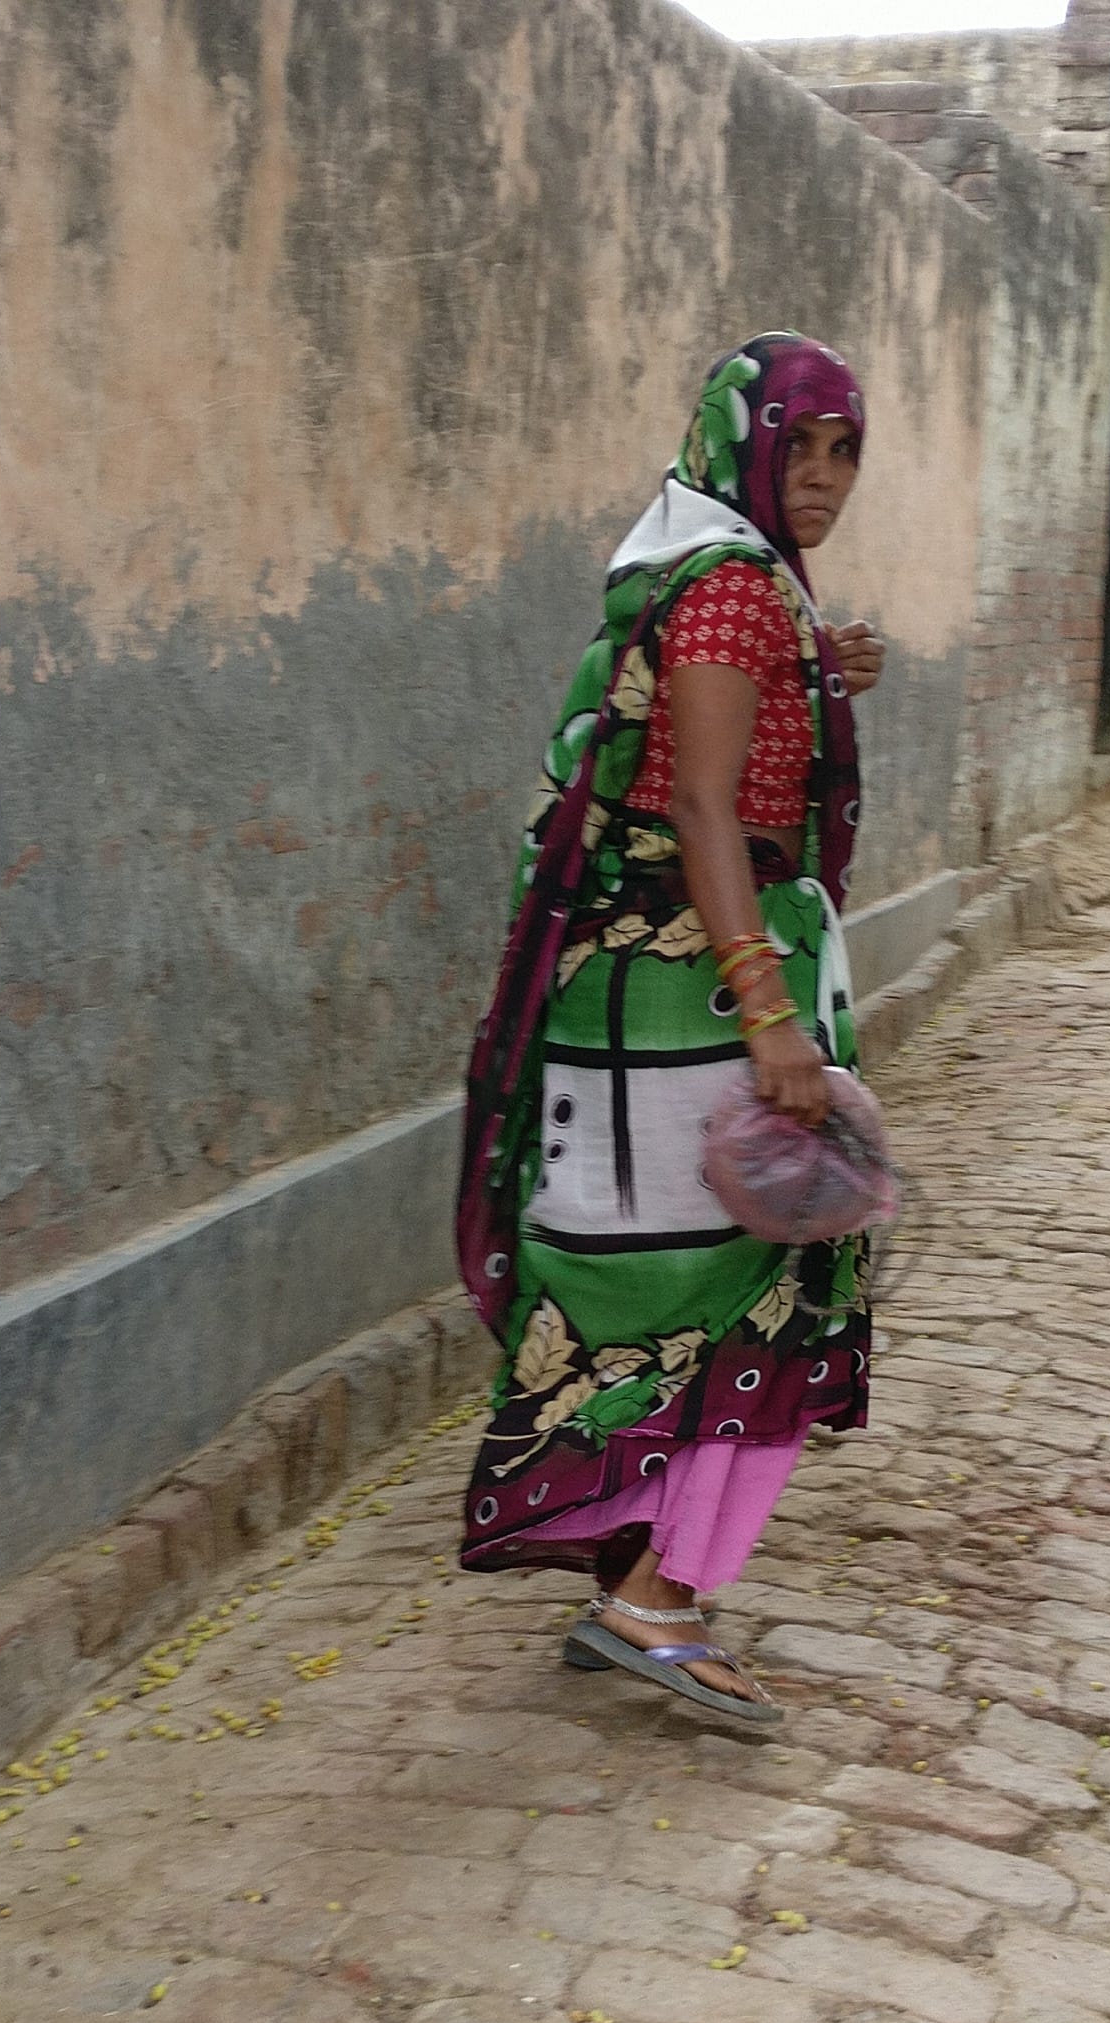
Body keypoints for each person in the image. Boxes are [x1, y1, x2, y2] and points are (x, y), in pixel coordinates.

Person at [450, 333, 885, 1722]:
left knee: (674, 1294)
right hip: (691, 1000)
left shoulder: (708, 573)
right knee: (752, 1287)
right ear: (739, 443)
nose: (822, 478)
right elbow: (702, 803)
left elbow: (712, 757)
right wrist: (768, 1014)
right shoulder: (735, 588)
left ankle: (647, 1579)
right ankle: (653, 1599)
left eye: (845, 451)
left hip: (650, 988)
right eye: (797, 445)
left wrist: (821, 673)